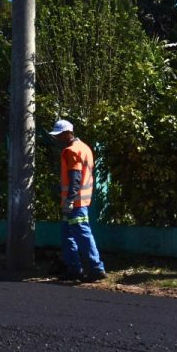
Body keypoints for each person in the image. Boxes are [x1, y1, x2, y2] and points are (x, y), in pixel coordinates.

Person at [48, 119, 107, 282]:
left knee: (82, 234)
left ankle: (96, 268)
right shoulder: (85, 148)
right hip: (81, 201)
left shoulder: (71, 151)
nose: (57, 139)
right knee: (68, 234)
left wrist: (69, 199)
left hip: (75, 203)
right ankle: (74, 268)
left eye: (59, 135)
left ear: (68, 134)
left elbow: (75, 177)